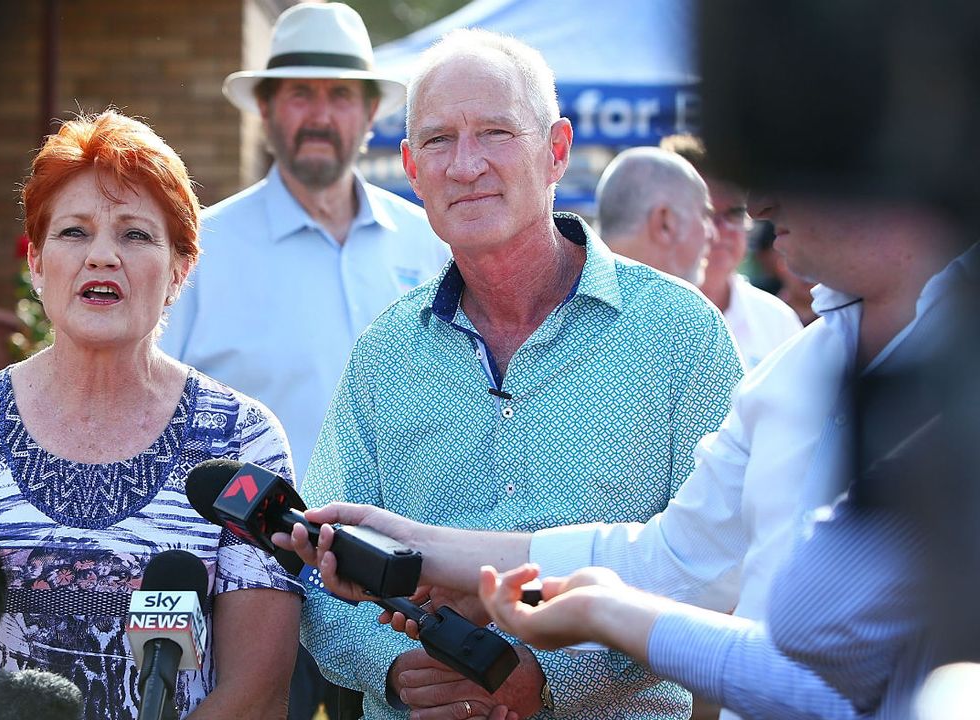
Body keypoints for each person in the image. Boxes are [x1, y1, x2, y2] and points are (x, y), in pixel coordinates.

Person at [291, 193, 972, 719]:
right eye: (440, 139)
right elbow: (669, 560)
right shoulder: (796, 368)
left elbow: (810, 650)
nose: (757, 206)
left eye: (798, 161)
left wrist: (594, 625)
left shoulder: (690, 333)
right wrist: (424, 548)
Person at [295, 29, 742, 720]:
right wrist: (400, 669)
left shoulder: (679, 334)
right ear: (412, 170)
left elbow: (717, 569)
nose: (466, 165)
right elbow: (320, 569)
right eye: (439, 140)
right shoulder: (384, 355)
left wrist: (545, 673)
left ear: (557, 150)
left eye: (496, 132)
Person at [0, 110, 302, 720]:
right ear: (35, 263)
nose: (102, 257)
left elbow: (259, 689)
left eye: (136, 235)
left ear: (179, 271)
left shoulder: (243, 439)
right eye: (74, 232)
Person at [157, 6, 447, 717]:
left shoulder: (431, 245)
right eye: (300, 93)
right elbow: (154, 411)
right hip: (247, 585)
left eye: (341, 94)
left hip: (392, 593)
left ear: (373, 111)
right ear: (265, 107)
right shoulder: (201, 250)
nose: (321, 114)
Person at [660, 135, 802, 368]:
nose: (718, 230)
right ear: (664, 219)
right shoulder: (634, 317)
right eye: (705, 213)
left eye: (734, 213)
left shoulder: (778, 323)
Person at [594, 146, 715, 286]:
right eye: (704, 216)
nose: (713, 235)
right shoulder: (685, 305)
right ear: (665, 223)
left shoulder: (569, 291)